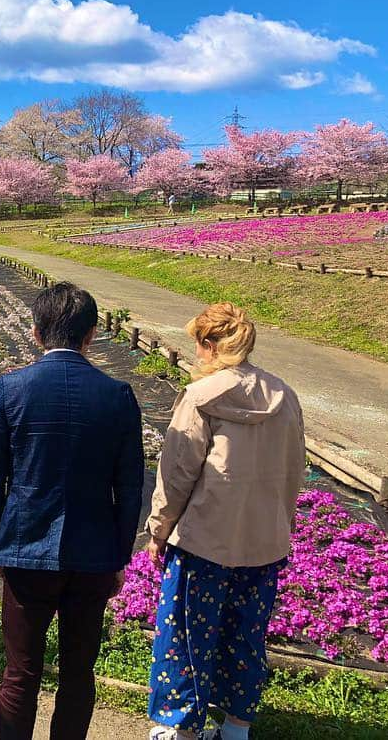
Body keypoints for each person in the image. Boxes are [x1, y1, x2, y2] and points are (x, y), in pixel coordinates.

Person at [0, 282, 145, 740]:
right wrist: (119, 556)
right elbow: (130, 486)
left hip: (26, 548)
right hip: (92, 553)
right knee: (78, 672)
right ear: (91, 334)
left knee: (20, 671)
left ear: (35, 332)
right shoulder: (118, 396)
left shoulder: (10, 389)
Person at [145, 303, 305, 740]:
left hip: (204, 544)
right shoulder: (284, 395)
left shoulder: (202, 398)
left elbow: (176, 475)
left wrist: (158, 531)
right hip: (264, 544)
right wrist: (280, 526)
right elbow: (295, 469)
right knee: (246, 637)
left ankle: (181, 730)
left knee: (186, 636)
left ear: (210, 345)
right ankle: (236, 728)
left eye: (198, 343)